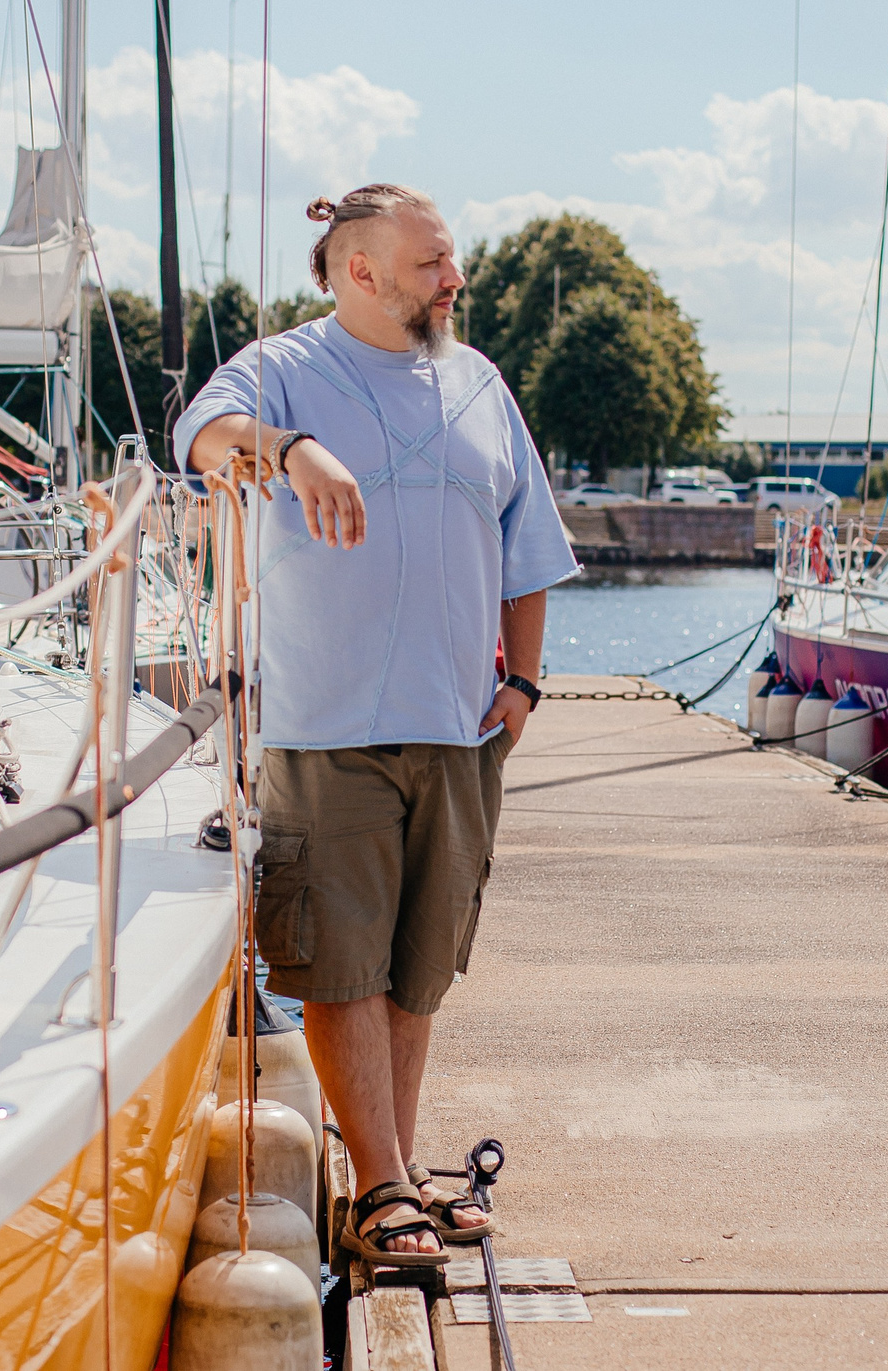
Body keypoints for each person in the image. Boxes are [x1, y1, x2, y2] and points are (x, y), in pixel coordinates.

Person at [173, 182, 577, 1267]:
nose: (454, 279)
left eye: (448, 261)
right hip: (324, 724)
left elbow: (525, 541)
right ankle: (387, 1187)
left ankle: (386, 1172)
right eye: (433, 263)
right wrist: (291, 450)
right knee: (340, 965)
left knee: (416, 967)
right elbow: (202, 436)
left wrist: (524, 684)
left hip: (458, 727)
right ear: (360, 272)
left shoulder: (478, 382)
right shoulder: (282, 369)